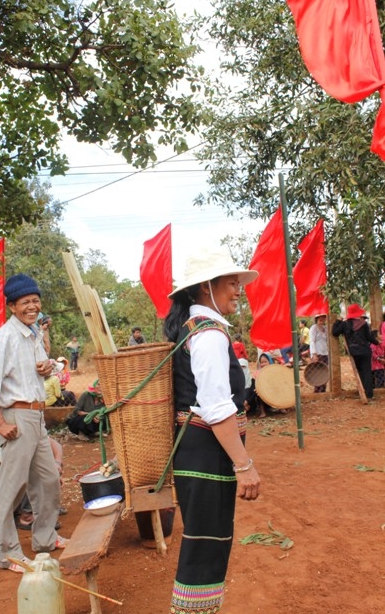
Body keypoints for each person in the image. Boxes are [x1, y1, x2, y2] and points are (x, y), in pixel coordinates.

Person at [163, 246, 260, 614]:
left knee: (207, 541)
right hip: (205, 453)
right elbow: (217, 408)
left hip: (197, 451)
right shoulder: (209, 335)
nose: (239, 290)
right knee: (205, 546)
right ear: (207, 287)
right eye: (232, 283)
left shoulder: (197, 329)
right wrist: (243, 463)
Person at [0, 273, 67, 573]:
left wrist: (46, 366)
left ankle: (45, 539)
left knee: (48, 480)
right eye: (25, 302)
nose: (32, 306)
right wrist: (0, 423)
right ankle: (8, 554)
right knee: (13, 488)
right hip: (16, 416)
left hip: (36, 416)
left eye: (36, 301)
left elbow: (40, 368)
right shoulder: (4, 337)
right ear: (12, 306)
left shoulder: (32, 335)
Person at [0, 430, 65, 529]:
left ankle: (45, 508)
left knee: (44, 471)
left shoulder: (27, 429)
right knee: (31, 472)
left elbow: (54, 444)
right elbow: (21, 466)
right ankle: (27, 517)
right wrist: (50, 473)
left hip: (11, 493)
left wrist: (57, 464)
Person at [332, 304, 378, 399]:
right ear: (358, 313)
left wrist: (338, 320)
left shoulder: (345, 324)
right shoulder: (363, 323)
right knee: (366, 371)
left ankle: (362, 391)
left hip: (354, 351)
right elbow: (369, 337)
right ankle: (368, 394)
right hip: (365, 350)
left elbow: (335, 332)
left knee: (359, 371)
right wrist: (377, 342)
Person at [309, 313, 329, 392]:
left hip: (325, 353)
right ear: (316, 318)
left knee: (325, 372)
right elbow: (312, 341)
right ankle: (317, 391)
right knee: (318, 372)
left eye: (323, 317)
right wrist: (314, 354)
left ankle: (323, 390)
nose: (321, 318)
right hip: (317, 353)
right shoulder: (313, 328)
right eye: (319, 317)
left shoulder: (325, 328)